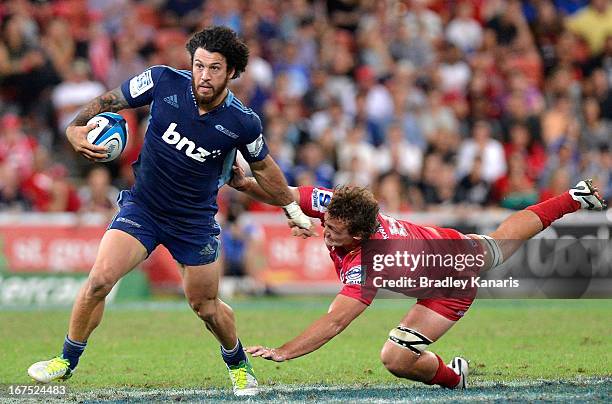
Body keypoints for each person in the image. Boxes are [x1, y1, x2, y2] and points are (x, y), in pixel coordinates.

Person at [27, 26, 313, 396]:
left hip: (194, 222)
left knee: (206, 306)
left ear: (232, 73)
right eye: (198, 66)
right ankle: (65, 361)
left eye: (214, 68)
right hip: (143, 208)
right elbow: (111, 100)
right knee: (99, 280)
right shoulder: (162, 81)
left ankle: (238, 363)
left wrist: (290, 206)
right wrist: (74, 128)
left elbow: (264, 170)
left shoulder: (243, 122)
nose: (204, 76)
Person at [228, 164, 606, 389]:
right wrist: (246, 185)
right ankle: (575, 196)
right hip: (443, 242)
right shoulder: (339, 207)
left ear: (358, 237)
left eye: (332, 231)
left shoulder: (374, 261)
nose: (324, 230)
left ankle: (454, 378)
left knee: (395, 358)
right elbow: (288, 193)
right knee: (500, 240)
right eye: (325, 223)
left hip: (452, 282)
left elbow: (335, 320)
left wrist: (285, 351)